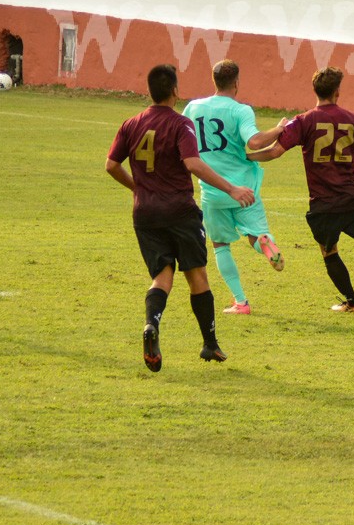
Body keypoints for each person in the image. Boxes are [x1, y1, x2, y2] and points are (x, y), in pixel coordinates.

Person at [105, 64, 256, 370]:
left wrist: (139, 188)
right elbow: (192, 163)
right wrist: (231, 188)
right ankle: (210, 344)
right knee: (196, 275)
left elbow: (111, 165)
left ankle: (151, 325)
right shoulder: (180, 124)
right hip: (179, 211)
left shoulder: (131, 123)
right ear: (174, 90)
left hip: (145, 212)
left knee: (162, 275)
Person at [248, 67, 354, 316]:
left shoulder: (303, 121)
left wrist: (245, 155)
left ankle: (353, 302)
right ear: (337, 92)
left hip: (324, 203)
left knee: (329, 252)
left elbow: (274, 152)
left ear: (315, 90)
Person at [183, 60, 285, 315]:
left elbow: (181, 137)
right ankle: (265, 243)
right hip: (244, 188)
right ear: (237, 83)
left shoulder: (193, 107)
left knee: (220, 245)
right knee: (255, 234)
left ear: (213, 80)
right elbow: (254, 141)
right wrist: (279, 128)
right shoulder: (241, 111)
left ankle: (241, 302)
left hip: (213, 190)